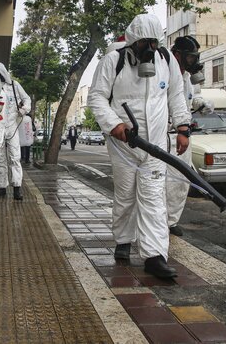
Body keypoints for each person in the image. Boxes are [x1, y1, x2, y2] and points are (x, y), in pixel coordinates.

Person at [88, 14, 192, 279]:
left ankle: (154, 256)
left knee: (154, 200)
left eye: (154, 43)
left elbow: (176, 96)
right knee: (125, 196)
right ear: (133, 40)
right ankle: (123, 240)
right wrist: (115, 125)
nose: (150, 49)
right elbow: (97, 97)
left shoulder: (166, 61)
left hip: (155, 145)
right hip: (123, 145)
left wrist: (182, 128)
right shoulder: (113, 61)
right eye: (144, 43)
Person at [165, 36, 214, 237]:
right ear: (177, 55)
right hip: (165, 135)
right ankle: (157, 220)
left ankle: (171, 221)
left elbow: (192, 99)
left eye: (195, 58)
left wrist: (201, 103)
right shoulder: (165, 72)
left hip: (183, 135)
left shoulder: (188, 78)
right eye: (190, 58)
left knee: (179, 181)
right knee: (160, 181)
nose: (193, 62)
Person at [0, 63, 31, 200]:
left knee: (15, 157)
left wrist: (24, 109)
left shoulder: (15, 85)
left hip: (13, 126)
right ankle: (1, 187)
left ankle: (17, 188)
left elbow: (27, 98)